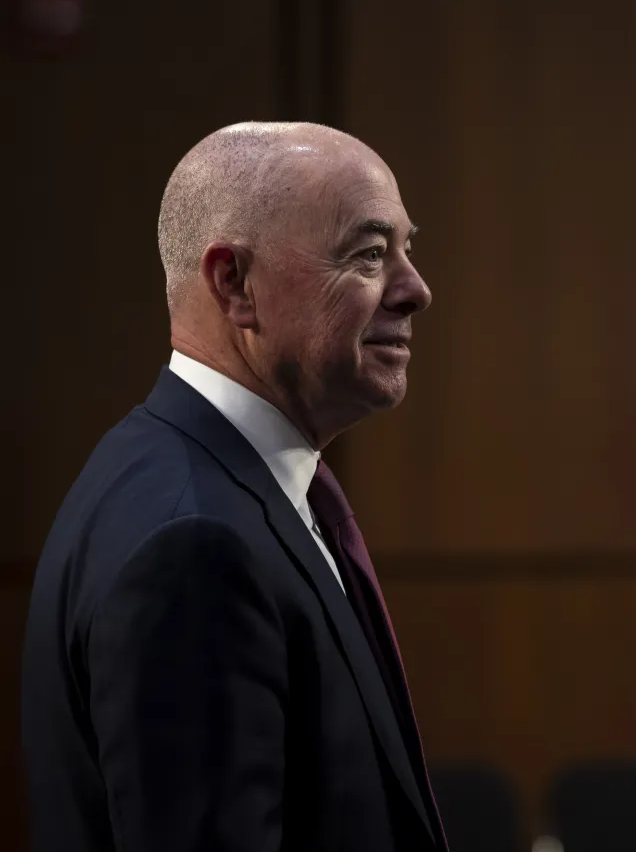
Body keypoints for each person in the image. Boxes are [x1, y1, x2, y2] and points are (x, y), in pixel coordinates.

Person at [21, 122, 448, 851]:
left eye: (408, 250)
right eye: (371, 254)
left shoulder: (210, 482)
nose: (416, 290)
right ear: (235, 283)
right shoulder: (191, 543)